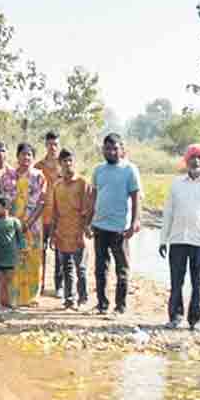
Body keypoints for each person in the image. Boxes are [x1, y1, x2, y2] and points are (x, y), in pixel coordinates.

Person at [160, 144, 200, 331]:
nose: (196, 161)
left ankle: (195, 321)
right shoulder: (176, 183)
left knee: (198, 284)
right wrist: (163, 240)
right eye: (192, 158)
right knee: (176, 282)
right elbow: (168, 212)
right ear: (186, 161)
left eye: (199, 158)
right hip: (178, 240)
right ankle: (175, 317)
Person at [89, 133, 141, 315]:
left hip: (120, 229)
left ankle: (120, 306)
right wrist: (89, 221)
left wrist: (135, 221)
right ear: (103, 150)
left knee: (122, 269)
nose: (111, 152)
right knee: (100, 268)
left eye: (114, 148)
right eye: (107, 148)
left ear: (122, 149)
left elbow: (135, 198)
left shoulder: (130, 170)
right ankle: (102, 304)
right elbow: (93, 196)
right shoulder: (98, 170)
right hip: (100, 226)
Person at [0, 143, 47, 307]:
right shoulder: (7, 176)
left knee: (32, 260)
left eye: (29, 155)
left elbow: (42, 202)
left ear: (33, 158)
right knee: (13, 259)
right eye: (23, 154)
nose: (26, 158)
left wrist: (28, 223)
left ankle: (30, 297)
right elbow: (3, 201)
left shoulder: (39, 177)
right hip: (12, 226)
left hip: (32, 227)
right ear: (17, 156)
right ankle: (13, 297)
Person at [48, 149, 93, 309]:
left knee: (80, 268)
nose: (67, 164)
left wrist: (85, 229)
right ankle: (69, 298)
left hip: (78, 232)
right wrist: (53, 234)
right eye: (64, 161)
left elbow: (88, 209)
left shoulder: (82, 183)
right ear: (59, 164)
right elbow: (54, 212)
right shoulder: (57, 186)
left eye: (70, 161)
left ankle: (83, 299)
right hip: (62, 232)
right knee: (66, 268)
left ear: (74, 162)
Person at [0, 196, 25, 309]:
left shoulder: (14, 222)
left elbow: (20, 238)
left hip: (11, 256)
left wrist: (21, 251)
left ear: (6, 207)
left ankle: (11, 301)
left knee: (10, 279)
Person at [37, 131, 64, 296]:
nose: (52, 147)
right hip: (42, 215)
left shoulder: (64, 165)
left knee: (59, 251)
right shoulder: (38, 166)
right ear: (45, 145)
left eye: (55, 144)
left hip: (60, 216)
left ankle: (58, 286)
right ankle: (39, 284)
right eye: (49, 144)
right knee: (40, 251)